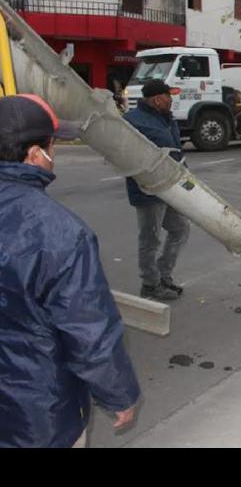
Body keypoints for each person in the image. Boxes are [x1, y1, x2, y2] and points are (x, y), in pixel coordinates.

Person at [0, 94, 140, 447]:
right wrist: (119, 394)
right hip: (35, 417)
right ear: (35, 155)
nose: (54, 155)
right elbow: (88, 329)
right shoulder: (59, 232)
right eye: (52, 146)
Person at [123, 80, 190, 301]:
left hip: (170, 185)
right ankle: (150, 284)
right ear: (158, 98)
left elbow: (175, 151)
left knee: (180, 229)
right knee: (149, 239)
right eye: (169, 96)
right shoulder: (132, 121)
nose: (172, 100)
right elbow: (124, 153)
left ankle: (163, 275)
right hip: (147, 190)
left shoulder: (165, 117)